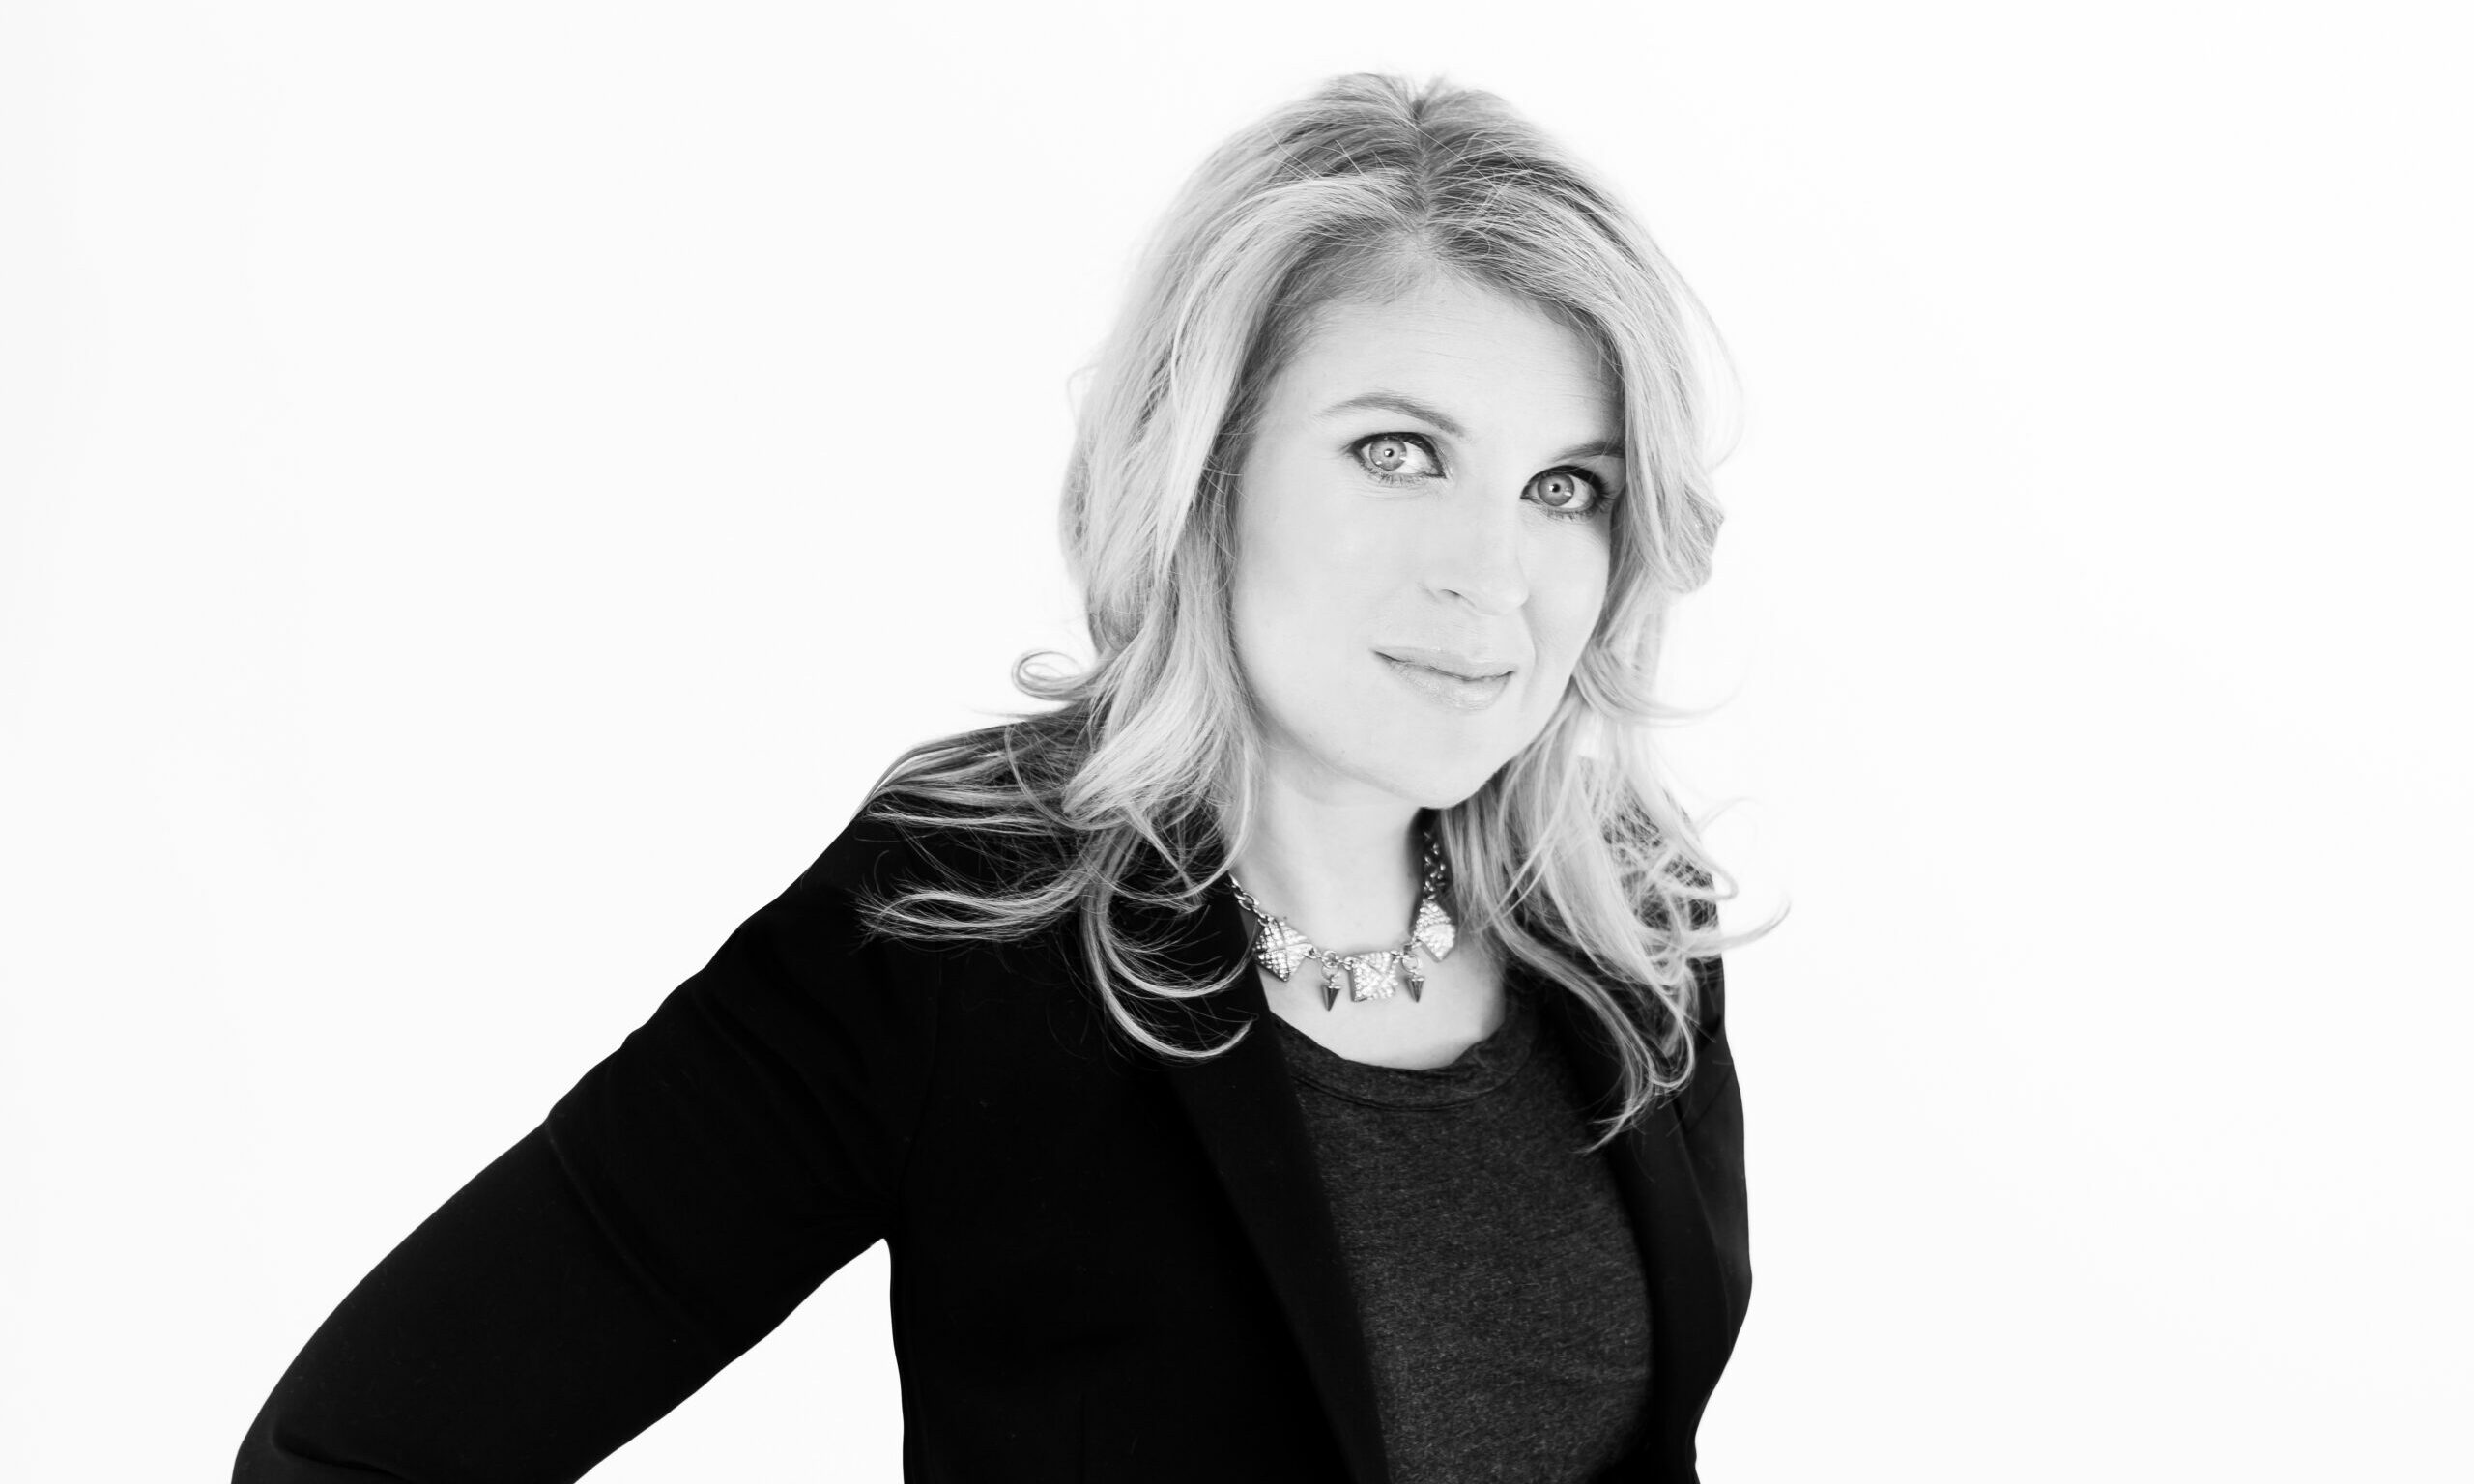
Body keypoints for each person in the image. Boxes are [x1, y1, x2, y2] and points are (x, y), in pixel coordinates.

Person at [234, 71, 1766, 1484]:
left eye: (1565, 487)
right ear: (1204, 462)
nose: (1492, 575)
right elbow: (356, 1454)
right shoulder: (963, 920)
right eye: (1398, 453)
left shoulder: (1624, 919)